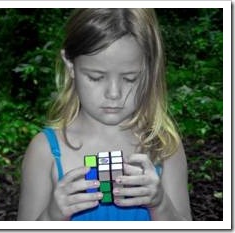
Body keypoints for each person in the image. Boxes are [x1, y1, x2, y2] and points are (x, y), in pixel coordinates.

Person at [17, 8, 192, 221]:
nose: (113, 94)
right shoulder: (45, 151)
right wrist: (52, 216)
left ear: (150, 70)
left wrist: (161, 205)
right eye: (96, 77)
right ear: (70, 65)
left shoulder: (163, 146)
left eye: (130, 79)